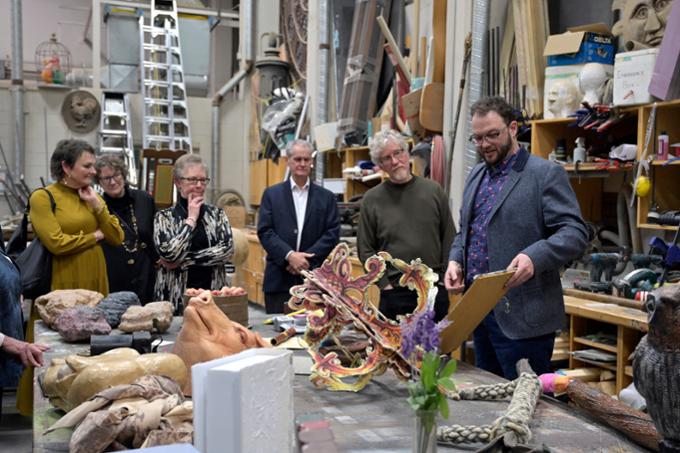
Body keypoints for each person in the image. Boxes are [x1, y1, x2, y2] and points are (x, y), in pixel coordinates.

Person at [445, 96, 588, 380]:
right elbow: (468, 231)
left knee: (527, 406)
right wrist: (455, 260)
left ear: (512, 128)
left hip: (524, 319)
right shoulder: (476, 175)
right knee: (489, 397)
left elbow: (575, 232)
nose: (485, 144)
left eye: (492, 135)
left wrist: (534, 257)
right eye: (478, 138)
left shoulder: (544, 174)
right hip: (481, 313)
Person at [358, 130, 456, 322]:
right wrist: (384, 284)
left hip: (433, 290)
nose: (395, 161)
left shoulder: (433, 191)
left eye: (398, 153)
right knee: (396, 351)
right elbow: (365, 249)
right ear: (380, 165)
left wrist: (443, 280)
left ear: (407, 152)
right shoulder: (372, 200)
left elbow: (450, 238)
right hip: (394, 293)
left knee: (434, 351)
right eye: (387, 158)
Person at [29, 139, 124, 294]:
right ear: (66, 167)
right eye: (87, 166)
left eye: (93, 166)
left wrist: (97, 205)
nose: (94, 171)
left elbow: (116, 237)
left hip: (96, 278)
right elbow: (57, 244)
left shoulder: (93, 196)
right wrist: (94, 236)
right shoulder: (42, 197)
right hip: (63, 279)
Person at [257, 140, 340, 314]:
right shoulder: (272, 195)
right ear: (288, 161)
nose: (302, 164)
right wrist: (289, 256)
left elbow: (332, 233)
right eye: (297, 159)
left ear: (311, 162)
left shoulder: (327, 198)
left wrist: (305, 260)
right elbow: (265, 231)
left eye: (306, 159)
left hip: (314, 282)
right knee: (277, 334)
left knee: (313, 335)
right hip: (278, 281)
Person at [154, 154, 234, 313]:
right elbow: (170, 254)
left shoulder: (217, 215)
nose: (199, 185)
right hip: (175, 300)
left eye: (203, 180)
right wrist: (191, 219)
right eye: (192, 180)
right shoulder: (163, 217)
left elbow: (226, 250)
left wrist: (185, 261)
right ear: (178, 182)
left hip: (212, 297)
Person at [95, 155, 158, 303]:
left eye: (116, 175)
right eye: (106, 178)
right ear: (99, 182)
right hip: (113, 275)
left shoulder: (145, 200)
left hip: (145, 274)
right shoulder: (96, 206)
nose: (112, 181)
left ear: (123, 174)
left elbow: (155, 235)